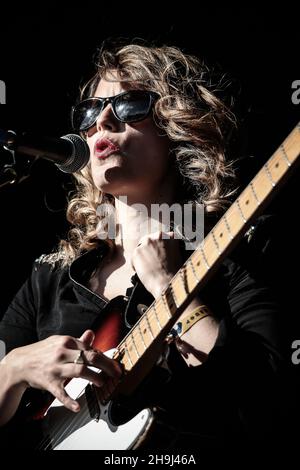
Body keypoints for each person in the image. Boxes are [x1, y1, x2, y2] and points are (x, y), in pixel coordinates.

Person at [0, 42, 283, 451]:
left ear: (178, 124)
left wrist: (170, 287)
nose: (104, 120)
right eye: (92, 110)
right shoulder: (51, 276)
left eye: (130, 103)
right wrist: (13, 368)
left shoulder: (235, 256)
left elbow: (268, 403)